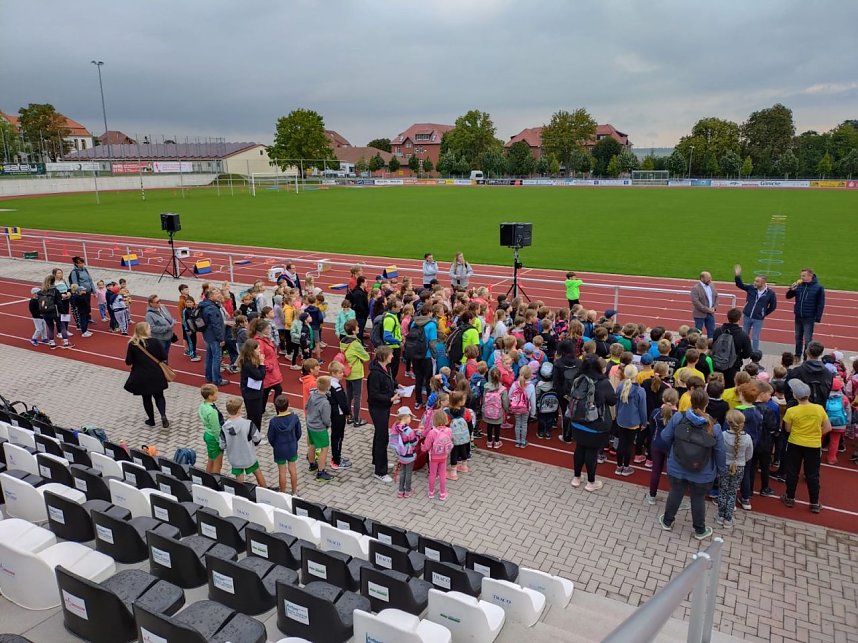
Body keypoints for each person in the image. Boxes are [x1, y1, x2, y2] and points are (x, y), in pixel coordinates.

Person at [658, 388, 725, 540]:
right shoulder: (714, 427)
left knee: (675, 492)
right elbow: (720, 452)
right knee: (698, 498)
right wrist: (722, 471)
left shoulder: (678, 418)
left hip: (677, 466)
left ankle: (667, 521)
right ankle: (699, 530)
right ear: (706, 404)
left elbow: (665, 436)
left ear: (690, 400)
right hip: (703, 472)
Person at [781, 379, 830, 513]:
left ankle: (790, 497)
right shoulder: (819, 409)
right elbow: (827, 427)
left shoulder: (792, 411)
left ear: (795, 396)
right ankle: (814, 502)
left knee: (792, 472)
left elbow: (788, 429)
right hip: (813, 445)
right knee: (813, 474)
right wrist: (815, 434)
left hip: (795, 443)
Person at [569, 355, 617, 492]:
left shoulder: (579, 378)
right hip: (596, 423)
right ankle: (591, 482)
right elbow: (613, 400)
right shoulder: (603, 383)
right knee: (591, 451)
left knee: (579, 449)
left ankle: (576, 478)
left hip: (577, 420)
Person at [123, 321, 170, 429]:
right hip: (156, 373)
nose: (150, 330)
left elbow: (128, 361)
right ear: (145, 330)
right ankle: (163, 415)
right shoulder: (155, 341)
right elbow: (163, 356)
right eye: (149, 328)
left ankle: (151, 420)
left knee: (146, 398)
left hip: (141, 375)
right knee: (159, 396)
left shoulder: (133, 344)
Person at [367, 345, 400, 482]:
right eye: (391, 354)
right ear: (384, 356)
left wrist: (397, 387)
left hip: (384, 406)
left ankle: (378, 461)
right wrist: (390, 398)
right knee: (382, 438)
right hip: (378, 408)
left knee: (380, 434)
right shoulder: (375, 374)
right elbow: (373, 395)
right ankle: (380, 471)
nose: (393, 356)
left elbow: (390, 381)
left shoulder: (386, 368)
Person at [717, 410, 754, 529]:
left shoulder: (723, 435)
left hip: (725, 465)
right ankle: (728, 518)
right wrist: (741, 461)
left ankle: (720, 516)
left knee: (723, 490)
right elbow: (749, 455)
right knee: (732, 491)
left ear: (728, 422)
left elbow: (719, 451)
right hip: (739, 467)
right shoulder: (747, 438)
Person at [219, 397, 266, 487]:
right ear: (239, 410)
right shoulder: (248, 423)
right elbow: (257, 438)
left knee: (239, 476)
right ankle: (266, 490)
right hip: (248, 456)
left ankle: (241, 494)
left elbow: (222, 445)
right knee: (257, 472)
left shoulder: (224, 427)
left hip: (235, 459)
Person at [647, 388, 680, 504]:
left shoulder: (656, 412)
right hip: (671, 446)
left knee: (656, 470)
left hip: (656, 443)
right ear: (677, 401)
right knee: (672, 473)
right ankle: (673, 499)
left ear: (663, 399)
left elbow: (651, 428)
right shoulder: (679, 416)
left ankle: (652, 496)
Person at [733, 265, 777, 351]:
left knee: (755, 337)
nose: (755, 282)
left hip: (758, 319)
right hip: (747, 316)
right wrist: (738, 275)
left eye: (757, 281)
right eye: (755, 281)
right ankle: (741, 350)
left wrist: (763, 313)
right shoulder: (751, 288)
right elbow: (740, 285)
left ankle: (754, 354)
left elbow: (773, 306)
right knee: (744, 335)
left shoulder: (770, 293)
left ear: (763, 282)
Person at [614, 364, 648, 476]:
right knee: (628, 445)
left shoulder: (620, 387)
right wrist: (644, 422)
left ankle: (619, 466)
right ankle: (626, 467)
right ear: (636, 374)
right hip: (633, 422)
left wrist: (618, 415)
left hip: (621, 420)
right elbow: (642, 409)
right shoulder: (640, 391)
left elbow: (617, 404)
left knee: (621, 443)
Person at [785, 268, 825, 361]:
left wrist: (818, 319)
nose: (801, 277)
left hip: (809, 317)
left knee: (807, 339)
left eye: (804, 276)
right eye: (801, 276)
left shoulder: (818, 288)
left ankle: (806, 357)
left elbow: (821, 304)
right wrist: (792, 289)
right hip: (798, 316)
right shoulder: (799, 285)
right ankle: (797, 356)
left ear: (810, 276)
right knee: (798, 337)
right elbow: (788, 296)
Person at [268, 394, 301, 494]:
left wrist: (276, 445)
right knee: (293, 469)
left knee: (282, 472)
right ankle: (294, 491)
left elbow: (270, 437)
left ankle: (282, 492)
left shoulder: (273, 421)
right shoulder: (294, 418)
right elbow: (298, 433)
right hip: (291, 446)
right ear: (288, 405)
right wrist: (294, 440)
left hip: (279, 448)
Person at [711, 307, 753, 387]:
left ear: (728, 317)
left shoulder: (718, 331)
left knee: (715, 387)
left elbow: (714, 346)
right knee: (730, 389)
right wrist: (738, 355)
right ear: (739, 319)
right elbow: (748, 353)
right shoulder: (743, 335)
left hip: (717, 364)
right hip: (733, 366)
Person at [784, 341, 834, 406]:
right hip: (819, 410)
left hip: (798, 409)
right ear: (821, 353)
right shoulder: (828, 374)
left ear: (806, 351)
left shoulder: (795, 372)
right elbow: (827, 393)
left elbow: (787, 391)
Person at [340, 319, 370, 426]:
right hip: (356, 372)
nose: (358, 328)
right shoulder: (356, 344)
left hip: (347, 372)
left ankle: (349, 417)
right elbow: (366, 357)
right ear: (353, 331)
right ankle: (357, 420)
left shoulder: (343, 341)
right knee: (357, 397)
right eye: (357, 327)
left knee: (349, 395)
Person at [199, 287, 230, 386]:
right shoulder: (212, 308)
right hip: (213, 337)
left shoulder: (205, 305)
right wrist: (220, 338)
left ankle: (209, 377)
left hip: (207, 335)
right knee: (216, 358)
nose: (219, 295)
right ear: (211, 296)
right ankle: (217, 380)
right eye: (217, 294)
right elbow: (216, 325)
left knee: (209, 357)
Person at [305, 375, 334, 482]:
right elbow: (326, 419)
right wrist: (329, 424)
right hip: (319, 428)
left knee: (312, 444)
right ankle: (321, 471)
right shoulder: (325, 403)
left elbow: (306, 406)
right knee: (324, 449)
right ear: (328, 387)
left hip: (310, 425)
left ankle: (312, 464)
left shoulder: (312, 395)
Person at [423, 410, 453, 500]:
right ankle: (443, 493)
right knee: (442, 474)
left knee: (432, 474)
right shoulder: (449, 430)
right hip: (444, 456)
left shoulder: (432, 432)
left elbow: (427, 446)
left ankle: (431, 492)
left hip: (433, 457)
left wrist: (422, 448)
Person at [237, 338, 266, 433]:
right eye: (257, 349)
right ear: (251, 351)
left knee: (254, 415)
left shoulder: (249, 360)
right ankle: (255, 436)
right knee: (255, 416)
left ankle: (253, 433)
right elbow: (260, 376)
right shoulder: (248, 364)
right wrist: (262, 363)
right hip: (252, 394)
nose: (260, 350)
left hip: (253, 391)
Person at [327, 361, 352, 471]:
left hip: (335, 413)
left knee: (337, 436)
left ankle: (337, 456)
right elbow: (342, 402)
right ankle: (336, 461)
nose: (343, 374)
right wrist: (348, 413)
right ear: (333, 373)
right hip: (338, 414)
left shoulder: (330, 382)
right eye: (341, 372)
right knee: (338, 437)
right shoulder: (336, 386)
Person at [389, 406, 419, 497]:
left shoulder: (396, 427)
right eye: (410, 417)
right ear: (405, 418)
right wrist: (418, 434)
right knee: (408, 473)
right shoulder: (409, 431)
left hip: (401, 454)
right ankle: (407, 491)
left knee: (402, 472)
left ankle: (400, 491)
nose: (411, 419)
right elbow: (414, 442)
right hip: (409, 455)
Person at [198, 384, 224, 473]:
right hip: (214, 437)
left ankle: (207, 478)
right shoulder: (212, 411)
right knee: (218, 463)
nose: (218, 395)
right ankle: (214, 482)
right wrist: (220, 441)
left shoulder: (202, 405)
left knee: (211, 459)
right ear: (210, 396)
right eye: (216, 393)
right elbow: (216, 428)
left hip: (207, 434)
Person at [509, 365, 535, 448]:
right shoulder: (531, 386)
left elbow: (510, 396)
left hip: (516, 407)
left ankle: (517, 441)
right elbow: (532, 401)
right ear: (530, 375)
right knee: (524, 424)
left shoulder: (514, 384)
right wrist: (533, 412)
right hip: (526, 408)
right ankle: (523, 442)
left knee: (518, 423)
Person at [68, 256, 95, 336]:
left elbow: (90, 280)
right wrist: (81, 291)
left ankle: (86, 328)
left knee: (87, 310)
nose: (82, 264)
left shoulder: (85, 270)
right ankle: (83, 330)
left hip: (88, 293)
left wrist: (93, 290)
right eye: (80, 263)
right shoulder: (74, 272)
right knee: (83, 311)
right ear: (76, 263)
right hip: (81, 295)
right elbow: (75, 284)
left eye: (83, 262)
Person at [145, 294, 176, 362]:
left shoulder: (162, 307)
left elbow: (169, 317)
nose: (159, 303)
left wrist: (173, 321)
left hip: (168, 336)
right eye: (157, 302)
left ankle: (165, 367)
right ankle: (160, 369)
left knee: (166, 354)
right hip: (160, 339)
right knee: (160, 356)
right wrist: (166, 328)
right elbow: (152, 328)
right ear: (151, 304)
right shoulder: (149, 315)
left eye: (160, 300)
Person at [690, 271, 718, 336]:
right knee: (698, 333)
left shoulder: (712, 285)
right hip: (700, 314)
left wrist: (714, 307)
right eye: (708, 278)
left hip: (711, 313)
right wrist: (707, 309)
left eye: (710, 278)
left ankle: (711, 345)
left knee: (712, 331)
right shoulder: (696, 288)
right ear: (702, 278)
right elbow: (696, 302)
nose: (710, 280)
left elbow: (716, 296)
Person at [381, 299, 403, 378]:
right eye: (399, 307)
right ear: (393, 307)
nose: (400, 308)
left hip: (394, 347)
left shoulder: (394, 316)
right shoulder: (390, 319)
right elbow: (386, 337)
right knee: (392, 370)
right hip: (392, 348)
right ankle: (391, 386)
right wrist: (398, 341)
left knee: (393, 369)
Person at [348, 276, 370, 341]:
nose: (367, 283)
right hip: (360, 315)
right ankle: (359, 344)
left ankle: (361, 343)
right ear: (362, 283)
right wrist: (365, 312)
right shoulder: (358, 293)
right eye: (366, 282)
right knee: (359, 331)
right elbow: (359, 306)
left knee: (361, 330)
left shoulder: (362, 291)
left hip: (363, 315)